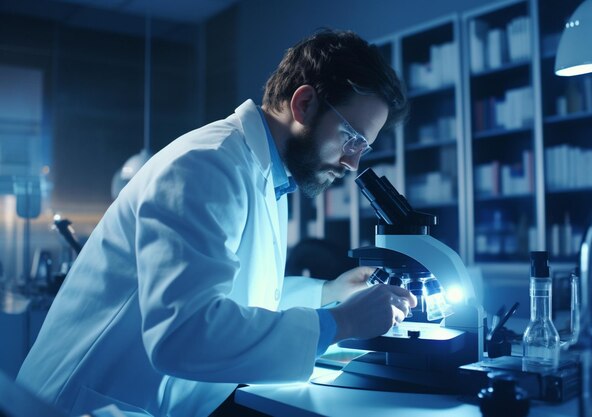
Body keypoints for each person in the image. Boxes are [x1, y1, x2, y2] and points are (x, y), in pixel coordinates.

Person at [17, 29, 414, 417]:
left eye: (362, 147)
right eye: (351, 138)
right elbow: (185, 333)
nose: (352, 163)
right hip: (79, 403)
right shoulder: (206, 164)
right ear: (304, 104)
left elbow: (234, 302)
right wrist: (339, 323)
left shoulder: (267, 174)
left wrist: (328, 293)